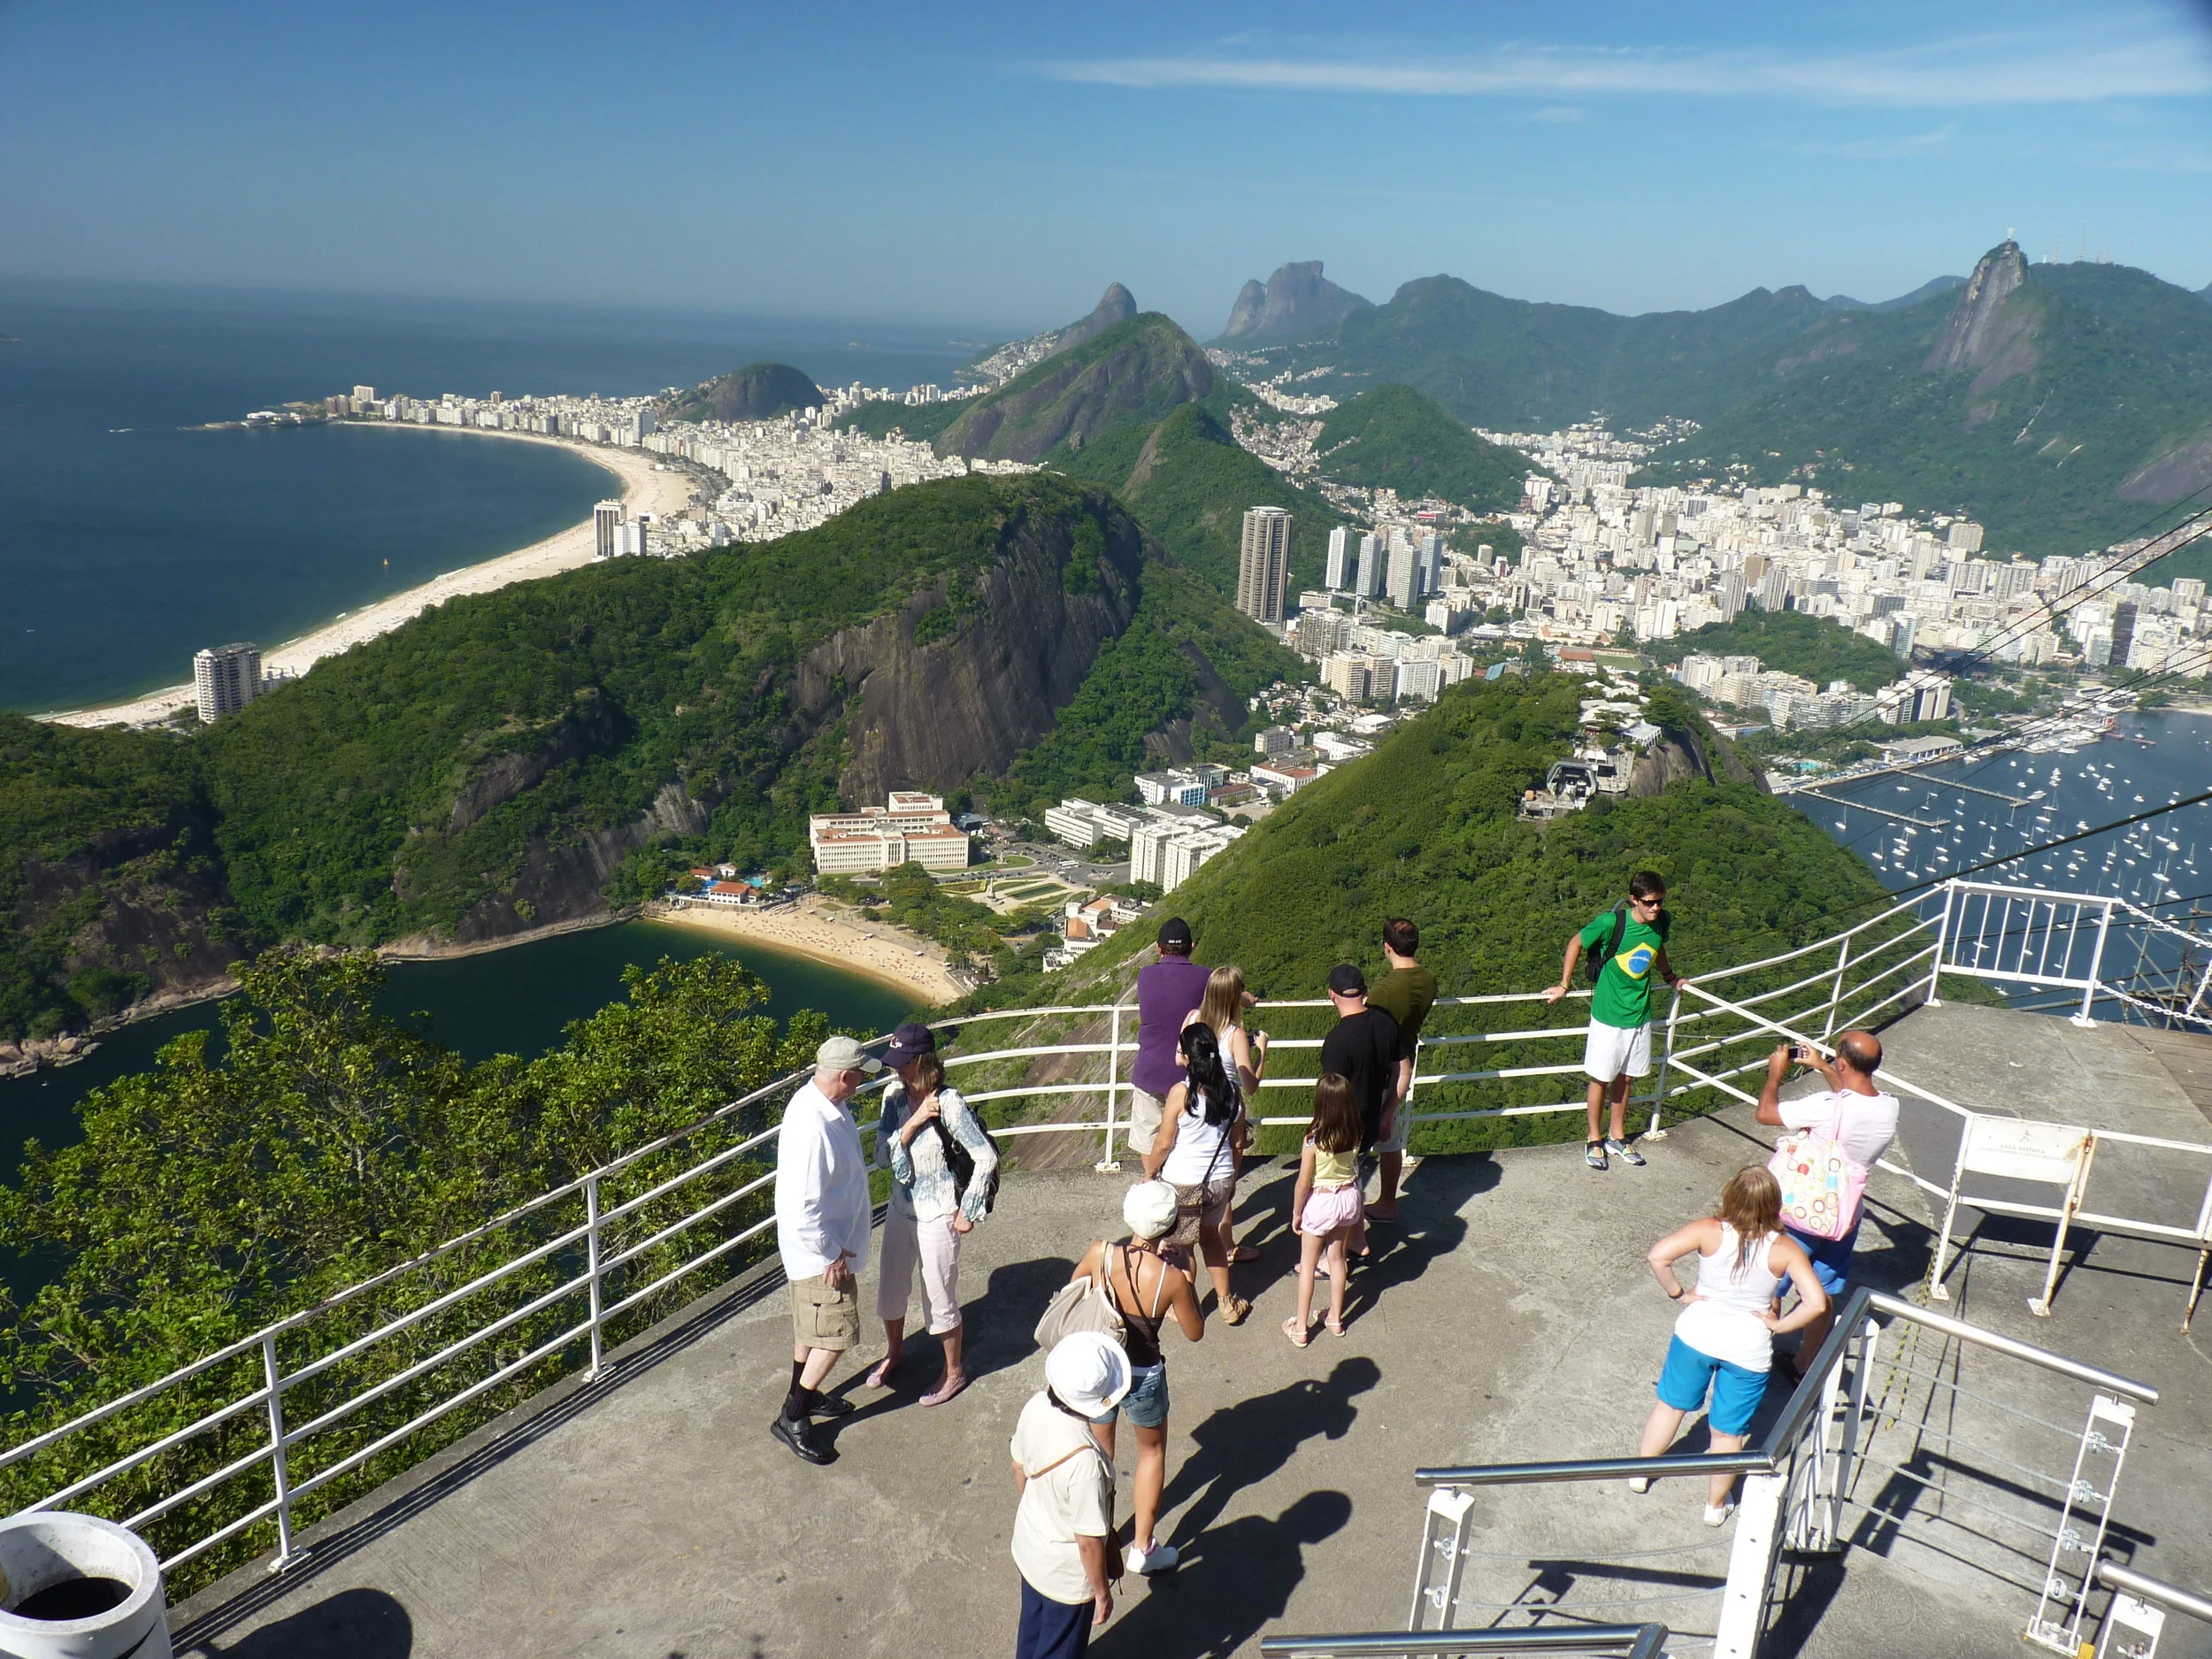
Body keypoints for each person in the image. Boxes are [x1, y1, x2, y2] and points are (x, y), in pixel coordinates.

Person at [1632, 1165, 1828, 1524]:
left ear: (1730, 1195)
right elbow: (1817, 1303)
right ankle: (1714, 1505)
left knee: (1670, 1407)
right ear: (1774, 1204)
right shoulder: (1785, 1249)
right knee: (1727, 1432)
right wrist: (1779, 1324)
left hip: (1696, 1334)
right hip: (1748, 1348)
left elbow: (1658, 1256)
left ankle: (1641, 1473)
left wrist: (1680, 1294)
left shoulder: (1708, 1230)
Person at [1068, 1180, 1205, 1576]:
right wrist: (1183, 1273)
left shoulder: (1101, 1253)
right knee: (1151, 1453)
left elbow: (1073, 1291)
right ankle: (1143, 1549)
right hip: (1144, 1372)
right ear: (1170, 1226)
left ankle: (1096, 1533)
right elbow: (1195, 1332)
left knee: (1098, 1455)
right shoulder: (1171, 1277)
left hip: (1101, 1368)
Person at [1754, 1029, 1899, 1372]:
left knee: (1772, 1287)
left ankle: (1757, 1358)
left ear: (1844, 1063)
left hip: (1801, 1215)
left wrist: (1775, 1075)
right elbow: (1852, 1100)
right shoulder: (1890, 1107)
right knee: (1821, 1292)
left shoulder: (1823, 1107)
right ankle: (1806, 1364)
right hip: (1844, 1216)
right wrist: (1822, 1066)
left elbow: (1766, 1113)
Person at [870, 1021, 998, 1406]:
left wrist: (970, 1209)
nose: (896, 1070)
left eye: (903, 1063)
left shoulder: (950, 1103)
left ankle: (953, 1372)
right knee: (890, 1289)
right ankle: (895, 1352)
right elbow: (880, 1157)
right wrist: (911, 1124)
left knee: (938, 1297)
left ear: (923, 1062)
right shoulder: (894, 1097)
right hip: (900, 1208)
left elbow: (985, 1157)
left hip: (939, 1213)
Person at [770, 1034, 883, 1465]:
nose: (859, 1085)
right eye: (857, 1077)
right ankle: (793, 1416)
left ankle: (807, 1394)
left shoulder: (821, 1105)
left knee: (811, 1332)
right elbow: (803, 1205)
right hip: (823, 1253)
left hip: (825, 1247)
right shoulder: (814, 1125)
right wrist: (830, 1254)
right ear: (842, 1075)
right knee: (835, 1336)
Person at [1543, 872, 1682, 1171]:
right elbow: (1576, 942)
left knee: (1628, 1077)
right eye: (1649, 903)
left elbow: (1657, 949)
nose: (1656, 908)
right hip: (1608, 1015)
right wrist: (1564, 986)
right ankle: (1594, 1138)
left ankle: (1616, 1136)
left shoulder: (1662, 921)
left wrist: (1670, 977)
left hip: (1640, 1013)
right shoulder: (1612, 923)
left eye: (1659, 902)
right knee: (1600, 1078)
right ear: (1634, 899)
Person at [1011, 1333, 1130, 1655]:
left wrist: (1042, 1517)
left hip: (1030, 1549)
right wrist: (1102, 1593)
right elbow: (1089, 1543)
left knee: (1032, 1635)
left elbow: (1018, 1466)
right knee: (1060, 1648)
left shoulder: (1035, 1405)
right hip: (1064, 1578)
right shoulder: (1086, 1463)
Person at [1141, 1023, 1252, 1325]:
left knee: (1182, 1246)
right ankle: (1227, 1303)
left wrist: (1149, 1174)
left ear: (1189, 1058)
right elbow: (1238, 1142)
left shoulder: (1182, 1093)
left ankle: (1186, 1306)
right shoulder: (1232, 1091)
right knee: (1212, 1239)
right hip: (1221, 1177)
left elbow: (1164, 1143)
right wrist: (1232, 1181)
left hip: (1185, 1181)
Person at [1180, 965, 1267, 1263]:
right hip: (1227, 1106)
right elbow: (1251, 1085)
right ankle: (1227, 1246)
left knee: (1197, 1164)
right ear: (1235, 995)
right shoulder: (1236, 1035)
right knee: (1224, 1172)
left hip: (1194, 1100)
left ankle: (1192, 1239)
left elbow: (1179, 1058)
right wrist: (1263, 1051)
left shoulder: (1193, 1018)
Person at [1363, 918, 1436, 1222]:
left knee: (1352, 1140)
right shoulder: (1429, 980)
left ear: (1387, 947)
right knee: (1389, 1139)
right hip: (1405, 1061)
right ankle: (1387, 1202)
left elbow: (1364, 1024)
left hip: (1379, 1068)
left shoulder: (1384, 990)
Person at [1286, 1073, 1366, 1346]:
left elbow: (1302, 1183)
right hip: (1349, 1197)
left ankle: (1300, 1328)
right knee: (1337, 1260)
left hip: (1323, 1201)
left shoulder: (1314, 1141)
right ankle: (1335, 1318)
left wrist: (1297, 1213)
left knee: (1308, 1265)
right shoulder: (1356, 1132)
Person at [1127, 918, 1214, 1160]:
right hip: (1189, 1070)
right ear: (1192, 945)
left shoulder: (1146, 975)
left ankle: (1151, 1180)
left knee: (1149, 1135)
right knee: (1189, 1134)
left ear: (1158, 948)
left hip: (1150, 1067)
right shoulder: (1205, 976)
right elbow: (1226, 993)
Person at [1317, 964, 1401, 1161]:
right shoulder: (1386, 1023)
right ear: (1364, 992)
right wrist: (1387, 1114)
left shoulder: (1336, 1040)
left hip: (1344, 1133)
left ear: (1331, 994)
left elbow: (1332, 1097)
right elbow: (1402, 1069)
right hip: (1371, 1125)